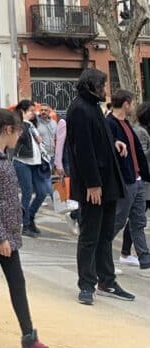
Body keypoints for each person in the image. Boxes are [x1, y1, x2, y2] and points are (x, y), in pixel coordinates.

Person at [0, 103, 62, 348]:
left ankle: (29, 339)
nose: (20, 135)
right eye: (18, 131)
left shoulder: (3, 157)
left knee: (17, 284)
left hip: (8, 235)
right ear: (8, 130)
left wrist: (10, 233)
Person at [65, 69, 133, 304]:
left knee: (105, 235)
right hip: (95, 185)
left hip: (108, 182)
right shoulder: (80, 109)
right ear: (92, 86)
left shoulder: (93, 106)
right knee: (90, 236)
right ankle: (86, 284)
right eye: (103, 85)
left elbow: (97, 138)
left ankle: (107, 280)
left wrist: (114, 143)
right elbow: (83, 150)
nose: (106, 90)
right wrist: (93, 184)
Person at [106, 90, 150, 273]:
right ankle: (104, 258)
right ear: (125, 103)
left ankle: (144, 257)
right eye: (131, 103)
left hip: (137, 179)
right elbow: (107, 146)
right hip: (125, 180)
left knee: (138, 221)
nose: (133, 107)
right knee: (118, 220)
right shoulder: (110, 123)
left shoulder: (126, 124)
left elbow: (137, 152)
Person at [119, 102, 150, 266]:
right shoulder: (139, 131)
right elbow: (139, 155)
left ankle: (143, 255)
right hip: (141, 182)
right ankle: (124, 253)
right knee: (129, 219)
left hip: (143, 182)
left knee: (137, 220)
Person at [12, 99, 48, 238]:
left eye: (34, 110)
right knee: (27, 193)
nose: (34, 113)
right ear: (23, 111)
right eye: (31, 111)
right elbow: (16, 139)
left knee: (42, 191)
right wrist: (24, 124)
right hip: (22, 162)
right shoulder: (20, 125)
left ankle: (30, 217)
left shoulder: (32, 125)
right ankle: (25, 224)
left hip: (36, 163)